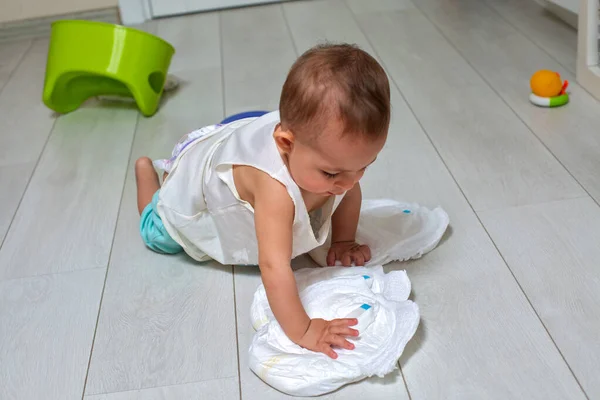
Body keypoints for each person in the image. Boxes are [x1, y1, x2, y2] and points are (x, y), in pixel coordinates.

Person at [135, 43, 391, 359]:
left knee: (338, 181)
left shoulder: (329, 161)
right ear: (286, 143)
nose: (351, 183)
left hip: (241, 133)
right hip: (195, 184)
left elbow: (348, 190)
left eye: (364, 166)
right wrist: (306, 330)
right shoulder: (274, 189)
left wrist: (343, 241)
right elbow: (273, 265)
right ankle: (149, 174)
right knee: (158, 233)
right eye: (332, 173)